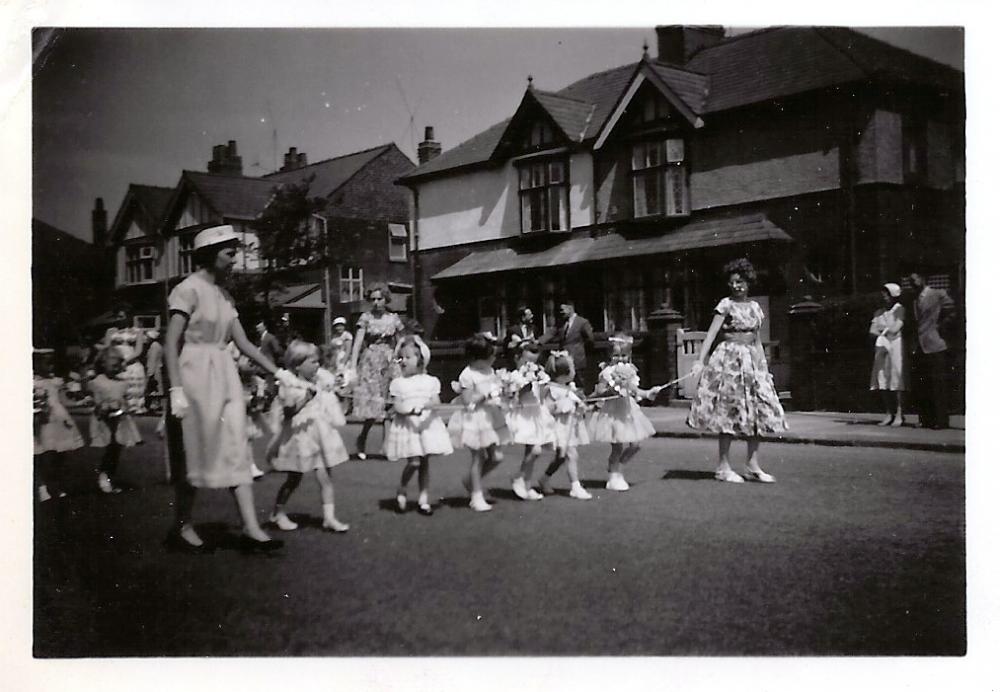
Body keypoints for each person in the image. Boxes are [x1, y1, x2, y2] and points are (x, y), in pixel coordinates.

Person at [164, 224, 293, 554]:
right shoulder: (187, 290)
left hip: (224, 375)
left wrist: (280, 372)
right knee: (194, 450)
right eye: (230, 252)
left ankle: (251, 529)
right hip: (194, 376)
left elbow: (245, 343)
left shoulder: (225, 295)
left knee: (236, 445)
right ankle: (183, 525)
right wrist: (175, 389)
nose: (236, 259)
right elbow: (170, 342)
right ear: (209, 254)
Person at [687, 258, 788, 483]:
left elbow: (757, 341)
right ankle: (723, 467)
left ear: (748, 283)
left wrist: (764, 367)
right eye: (732, 282)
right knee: (728, 411)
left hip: (751, 362)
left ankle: (752, 465)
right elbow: (711, 334)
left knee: (757, 410)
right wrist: (699, 361)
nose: (736, 286)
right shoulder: (725, 305)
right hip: (729, 362)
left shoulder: (754, 308)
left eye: (740, 282)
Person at [266, 340, 351, 533]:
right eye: (312, 362)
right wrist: (306, 398)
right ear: (298, 365)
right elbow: (288, 413)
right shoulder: (289, 384)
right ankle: (277, 513)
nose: (317, 365)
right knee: (294, 478)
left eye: (318, 362)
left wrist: (332, 386)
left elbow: (328, 385)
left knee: (325, 477)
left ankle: (329, 517)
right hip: (300, 437)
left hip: (319, 433)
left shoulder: (316, 380)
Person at [385, 335, 453, 516]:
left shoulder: (430, 381)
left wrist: (426, 406)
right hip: (409, 426)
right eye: (401, 358)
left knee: (424, 463)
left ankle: (423, 499)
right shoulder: (398, 383)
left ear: (421, 360)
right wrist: (409, 411)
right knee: (414, 462)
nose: (403, 361)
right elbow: (397, 406)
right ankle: (402, 488)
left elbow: (436, 402)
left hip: (426, 425)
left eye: (408, 357)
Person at [588, 335, 662, 491]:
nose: (620, 359)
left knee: (636, 444)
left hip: (628, 410)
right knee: (617, 446)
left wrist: (648, 393)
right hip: (613, 412)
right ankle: (614, 475)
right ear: (609, 356)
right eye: (616, 355)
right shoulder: (606, 372)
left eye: (623, 355)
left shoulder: (630, 371)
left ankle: (617, 466)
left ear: (629, 356)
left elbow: (635, 391)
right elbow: (600, 391)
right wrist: (610, 389)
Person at [447, 333, 508, 512]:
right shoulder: (467, 375)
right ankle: (476, 496)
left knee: (497, 457)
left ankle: (471, 482)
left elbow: (496, 388)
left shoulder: (489, 370)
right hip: (474, 419)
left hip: (491, 417)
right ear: (476, 358)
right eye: (489, 356)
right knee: (478, 457)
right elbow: (468, 402)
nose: (493, 359)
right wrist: (486, 395)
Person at [349, 284, 404, 459]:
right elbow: (358, 343)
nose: (376, 302)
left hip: (389, 363)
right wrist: (352, 365)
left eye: (379, 299)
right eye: (372, 299)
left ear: (386, 299)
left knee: (389, 404)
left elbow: (401, 342)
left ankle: (386, 446)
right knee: (373, 405)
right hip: (371, 362)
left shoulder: (394, 318)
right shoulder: (366, 318)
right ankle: (362, 437)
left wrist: (401, 361)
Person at [535, 350, 592, 500]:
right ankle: (575, 487)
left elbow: (577, 406)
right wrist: (565, 404)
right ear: (565, 373)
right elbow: (548, 408)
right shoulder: (551, 389)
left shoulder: (567, 388)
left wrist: (580, 406)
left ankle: (544, 478)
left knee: (561, 457)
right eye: (572, 369)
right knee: (572, 455)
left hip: (569, 427)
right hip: (559, 428)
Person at [88, 348, 143, 494]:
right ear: (102, 364)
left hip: (120, 420)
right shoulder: (97, 382)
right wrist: (105, 408)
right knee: (109, 447)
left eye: (118, 365)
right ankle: (103, 475)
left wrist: (124, 408)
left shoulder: (122, 383)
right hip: (104, 420)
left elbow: (125, 401)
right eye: (112, 364)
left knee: (116, 448)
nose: (116, 368)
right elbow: (97, 403)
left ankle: (109, 477)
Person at [504, 341, 554, 501]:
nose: (530, 365)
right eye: (526, 362)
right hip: (523, 415)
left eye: (534, 362)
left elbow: (543, 392)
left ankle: (526, 483)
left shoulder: (538, 373)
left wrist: (541, 383)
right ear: (517, 358)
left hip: (536, 413)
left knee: (534, 451)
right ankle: (519, 478)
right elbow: (515, 392)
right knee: (535, 450)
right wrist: (527, 380)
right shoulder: (515, 376)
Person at [33, 348, 85, 502]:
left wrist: (80, 402)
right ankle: (42, 486)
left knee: (60, 453)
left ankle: (55, 484)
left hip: (59, 418)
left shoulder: (56, 381)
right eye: (47, 363)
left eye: (52, 363)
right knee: (43, 453)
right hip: (43, 420)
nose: (51, 367)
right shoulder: (33, 382)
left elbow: (63, 400)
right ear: (36, 364)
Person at [908, 271, 954, 429]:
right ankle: (925, 419)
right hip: (920, 347)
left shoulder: (938, 294)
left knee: (937, 385)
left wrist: (940, 327)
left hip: (935, 345)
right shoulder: (914, 299)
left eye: (913, 279)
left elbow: (952, 311)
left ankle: (941, 421)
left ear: (922, 278)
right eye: (909, 280)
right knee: (923, 385)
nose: (911, 283)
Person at [869, 283, 907, 426]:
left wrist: (882, 328)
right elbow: (872, 331)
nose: (884, 297)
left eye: (887, 294)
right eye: (883, 294)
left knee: (896, 378)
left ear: (893, 295)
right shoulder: (878, 312)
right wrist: (886, 329)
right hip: (881, 348)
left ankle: (899, 413)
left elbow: (896, 329)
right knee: (882, 379)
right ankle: (888, 413)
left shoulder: (900, 310)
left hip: (896, 348)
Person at [540, 298, 594, 390]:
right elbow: (551, 333)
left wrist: (579, 349)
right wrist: (539, 341)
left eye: (563, 310)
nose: (561, 312)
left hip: (577, 359)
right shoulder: (561, 323)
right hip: (563, 360)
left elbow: (590, 339)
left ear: (570, 308)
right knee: (564, 384)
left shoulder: (582, 322)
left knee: (579, 383)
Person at [145, 329, 164, 414]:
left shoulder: (154, 346)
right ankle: (156, 404)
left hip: (154, 369)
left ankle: (155, 405)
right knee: (156, 387)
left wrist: (150, 373)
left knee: (153, 387)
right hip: (157, 368)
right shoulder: (157, 345)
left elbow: (152, 360)